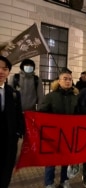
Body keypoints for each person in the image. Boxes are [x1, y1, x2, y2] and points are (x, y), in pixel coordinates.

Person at [38, 68, 79, 188]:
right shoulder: (50, 96)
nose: (68, 81)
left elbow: (79, 114)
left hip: (69, 134)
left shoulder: (75, 97)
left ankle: (64, 180)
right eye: (65, 79)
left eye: (70, 79)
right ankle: (49, 183)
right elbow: (41, 113)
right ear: (59, 81)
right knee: (51, 160)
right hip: (53, 134)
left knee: (66, 159)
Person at [0, 55, 25, 188]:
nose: (1, 72)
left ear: (8, 72)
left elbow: (19, 116)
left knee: (6, 172)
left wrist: (18, 133)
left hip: (9, 141)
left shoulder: (14, 93)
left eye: (5, 69)